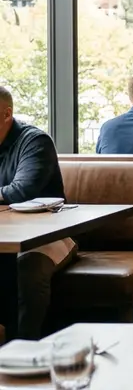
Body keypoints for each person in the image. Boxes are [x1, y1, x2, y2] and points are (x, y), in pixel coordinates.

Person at [0, 86, 72, 339]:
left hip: (51, 234)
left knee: (28, 267)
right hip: (6, 235)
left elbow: (22, 190)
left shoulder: (34, 141)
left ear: (7, 113)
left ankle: (24, 349)